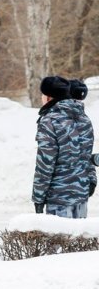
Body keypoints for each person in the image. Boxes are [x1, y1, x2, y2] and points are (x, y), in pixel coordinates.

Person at [32, 75, 95, 218]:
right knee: (78, 239)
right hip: (81, 194)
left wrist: (38, 197)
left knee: (60, 239)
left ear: (48, 97)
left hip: (59, 197)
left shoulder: (49, 121)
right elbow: (86, 155)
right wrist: (91, 180)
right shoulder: (84, 118)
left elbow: (45, 164)